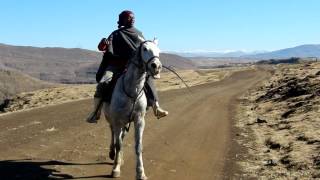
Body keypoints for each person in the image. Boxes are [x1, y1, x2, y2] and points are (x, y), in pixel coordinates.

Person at [86, 10, 168, 123]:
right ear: (123, 20)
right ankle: (95, 112)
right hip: (116, 66)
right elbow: (102, 48)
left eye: (133, 17)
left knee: (148, 79)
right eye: (129, 17)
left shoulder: (139, 33)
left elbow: (146, 48)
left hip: (134, 66)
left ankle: (156, 107)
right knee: (103, 83)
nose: (132, 19)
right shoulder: (115, 34)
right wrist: (103, 44)